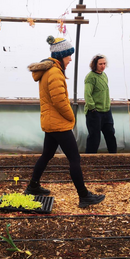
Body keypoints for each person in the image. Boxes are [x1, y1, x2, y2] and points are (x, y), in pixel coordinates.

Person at [25, 36, 105, 208]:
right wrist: (71, 117)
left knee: (47, 155)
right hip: (59, 124)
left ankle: (32, 186)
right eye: (68, 55)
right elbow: (59, 101)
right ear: (61, 54)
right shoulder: (54, 72)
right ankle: (84, 196)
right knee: (74, 158)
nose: (70, 59)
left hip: (51, 122)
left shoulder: (50, 71)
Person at [84, 54, 117, 153]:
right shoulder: (90, 77)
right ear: (95, 64)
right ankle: (89, 158)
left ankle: (113, 156)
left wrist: (108, 105)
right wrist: (92, 108)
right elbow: (87, 94)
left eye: (104, 64)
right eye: (100, 64)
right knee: (94, 137)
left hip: (106, 110)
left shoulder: (104, 75)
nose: (103, 66)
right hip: (95, 112)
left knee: (110, 134)